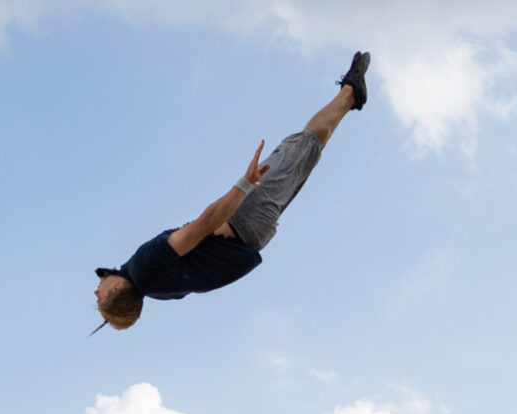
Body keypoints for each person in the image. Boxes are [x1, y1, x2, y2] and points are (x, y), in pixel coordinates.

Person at [94, 53, 369, 329]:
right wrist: (245, 185)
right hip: (244, 215)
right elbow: (203, 226)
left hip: (251, 235)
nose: (96, 292)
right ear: (116, 289)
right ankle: (350, 92)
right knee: (303, 143)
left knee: (304, 151)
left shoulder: (155, 289)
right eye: (100, 298)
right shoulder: (144, 267)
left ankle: (349, 96)